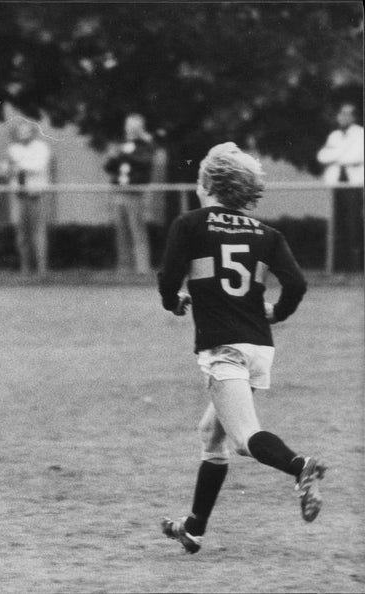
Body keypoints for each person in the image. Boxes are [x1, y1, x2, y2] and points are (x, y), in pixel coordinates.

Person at [157, 142, 325, 554]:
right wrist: (277, 313)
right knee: (210, 436)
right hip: (259, 348)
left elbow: (168, 277)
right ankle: (193, 529)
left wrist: (172, 301)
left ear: (208, 183)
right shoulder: (268, 235)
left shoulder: (191, 224)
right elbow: (297, 284)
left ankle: (300, 466)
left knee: (244, 438)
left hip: (224, 348)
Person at [104, 113, 155, 275]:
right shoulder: (122, 144)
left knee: (137, 229)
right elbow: (109, 167)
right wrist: (113, 158)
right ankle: (124, 268)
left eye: (134, 126)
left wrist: (124, 154)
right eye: (128, 126)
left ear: (140, 128)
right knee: (121, 231)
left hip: (135, 192)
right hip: (119, 190)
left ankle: (142, 269)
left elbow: (145, 161)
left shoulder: (145, 145)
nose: (130, 129)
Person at [316, 101, 364, 272]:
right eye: (341, 113)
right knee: (338, 225)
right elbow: (322, 156)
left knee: (353, 224)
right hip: (336, 185)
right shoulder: (334, 135)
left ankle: (356, 267)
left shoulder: (360, 134)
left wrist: (336, 155)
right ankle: (339, 267)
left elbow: (357, 156)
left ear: (354, 116)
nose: (343, 117)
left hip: (353, 186)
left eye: (347, 113)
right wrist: (341, 153)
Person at [5, 120, 53, 276]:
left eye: (26, 131)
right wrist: (13, 167)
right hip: (19, 196)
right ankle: (25, 268)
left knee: (38, 232)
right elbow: (6, 170)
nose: (23, 134)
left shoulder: (41, 148)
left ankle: (41, 269)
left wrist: (18, 165)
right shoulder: (13, 148)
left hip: (36, 195)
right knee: (22, 234)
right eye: (20, 131)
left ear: (33, 132)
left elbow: (37, 166)